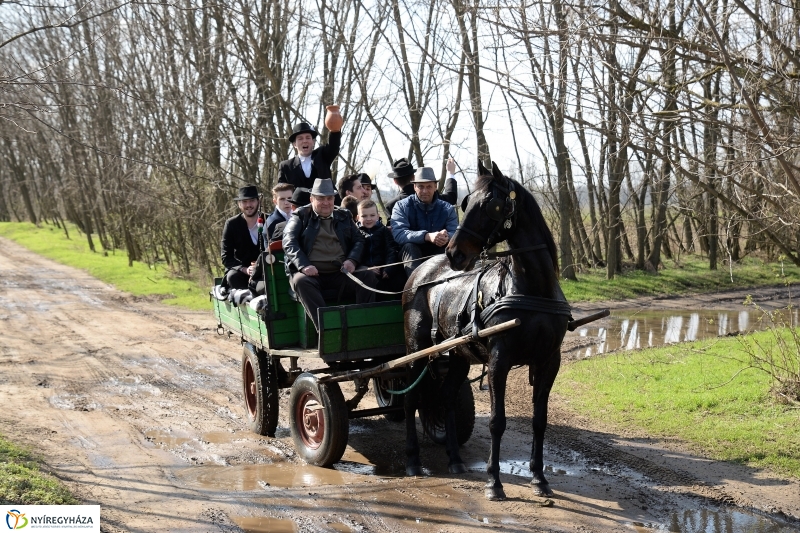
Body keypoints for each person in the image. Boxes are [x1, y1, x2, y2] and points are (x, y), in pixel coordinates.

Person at [283, 179, 379, 331]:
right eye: (320, 198)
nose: (326, 203)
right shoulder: (300, 216)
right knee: (301, 282)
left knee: (368, 276)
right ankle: (327, 331)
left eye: (329, 198)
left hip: (340, 272)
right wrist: (304, 265)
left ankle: (363, 327)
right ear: (311, 199)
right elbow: (289, 242)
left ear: (334, 199)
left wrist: (352, 260)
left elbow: (359, 240)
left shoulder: (344, 215)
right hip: (312, 275)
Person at [390, 167, 458, 278]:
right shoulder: (401, 206)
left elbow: (455, 232)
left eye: (429, 186)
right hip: (411, 256)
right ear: (414, 187)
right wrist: (426, 236)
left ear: (435, 187)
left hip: (439, 251)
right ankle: (415, 289)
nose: (425, 191)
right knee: (409, 247)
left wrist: (446, 237)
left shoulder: (447, 208)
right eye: (420, 186)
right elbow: (399, 234)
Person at [278, 119, 341, 191]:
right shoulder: (286, 166)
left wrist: (335, 129)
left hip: (325, 201)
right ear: (295, 144)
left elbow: (334, 146)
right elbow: (281, 190)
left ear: (313, 142)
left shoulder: (322, 155)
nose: (305, 141)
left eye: (308, 138)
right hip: (298, 202)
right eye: (300, 138)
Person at [385, 157, 458, 218]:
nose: (424, 191)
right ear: (414, 178)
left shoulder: (391, 205)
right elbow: (451, 197)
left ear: (395, 181)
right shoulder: (432, 196)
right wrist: (450, 173)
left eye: (428, 186)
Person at [220, 185, 263, 290]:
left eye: (252, 200)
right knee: (232, 277)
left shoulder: (268, 220)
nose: (248, 205)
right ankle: (244, 298)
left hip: (263, 271)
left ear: (258, 201)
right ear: (239, 204)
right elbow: (226, 256)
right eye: (244, 202)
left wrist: (259, 268)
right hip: (241, 272)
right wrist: (244, 269)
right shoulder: (232, 224)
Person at [357, 199, 403, 295]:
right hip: (366, 270)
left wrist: (388, 268)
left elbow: (391, 249)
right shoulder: (356, 233)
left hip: (383, 269)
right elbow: (357, 253)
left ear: (378, 216)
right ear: (358, 218)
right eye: (364, 216)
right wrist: (367, 267)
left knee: (398, 280)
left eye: (372, 215)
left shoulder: (383, 231)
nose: (369, 218)